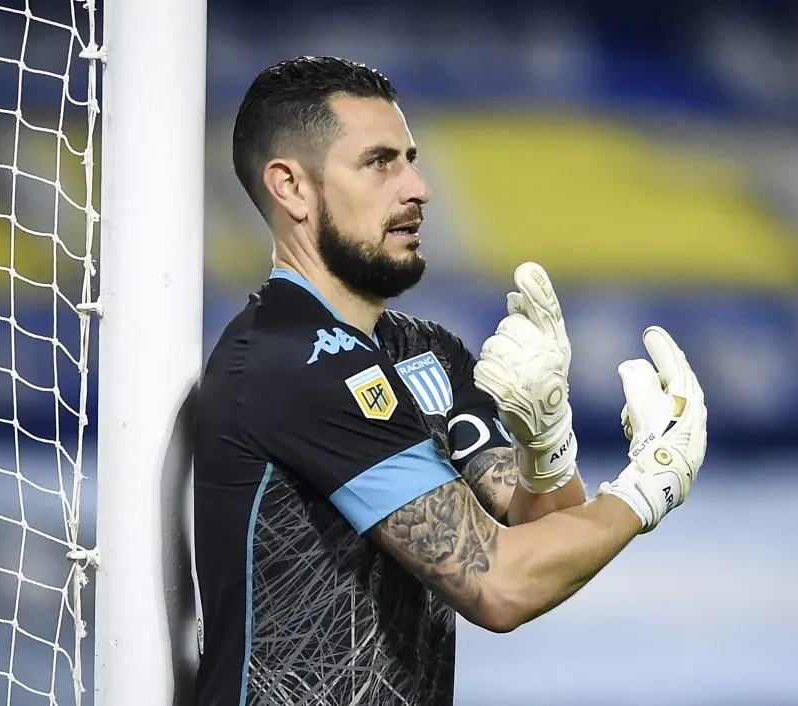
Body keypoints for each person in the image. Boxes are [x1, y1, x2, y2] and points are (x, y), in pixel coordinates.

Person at [191, 56, 708, 706]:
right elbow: (499, 585)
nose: (418, 187)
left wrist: (546, 445)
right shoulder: (287, 359)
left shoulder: (424, 351)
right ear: (291, 188)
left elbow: (539, 542)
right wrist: (652, 482)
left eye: (411, 158)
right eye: (380, 162)